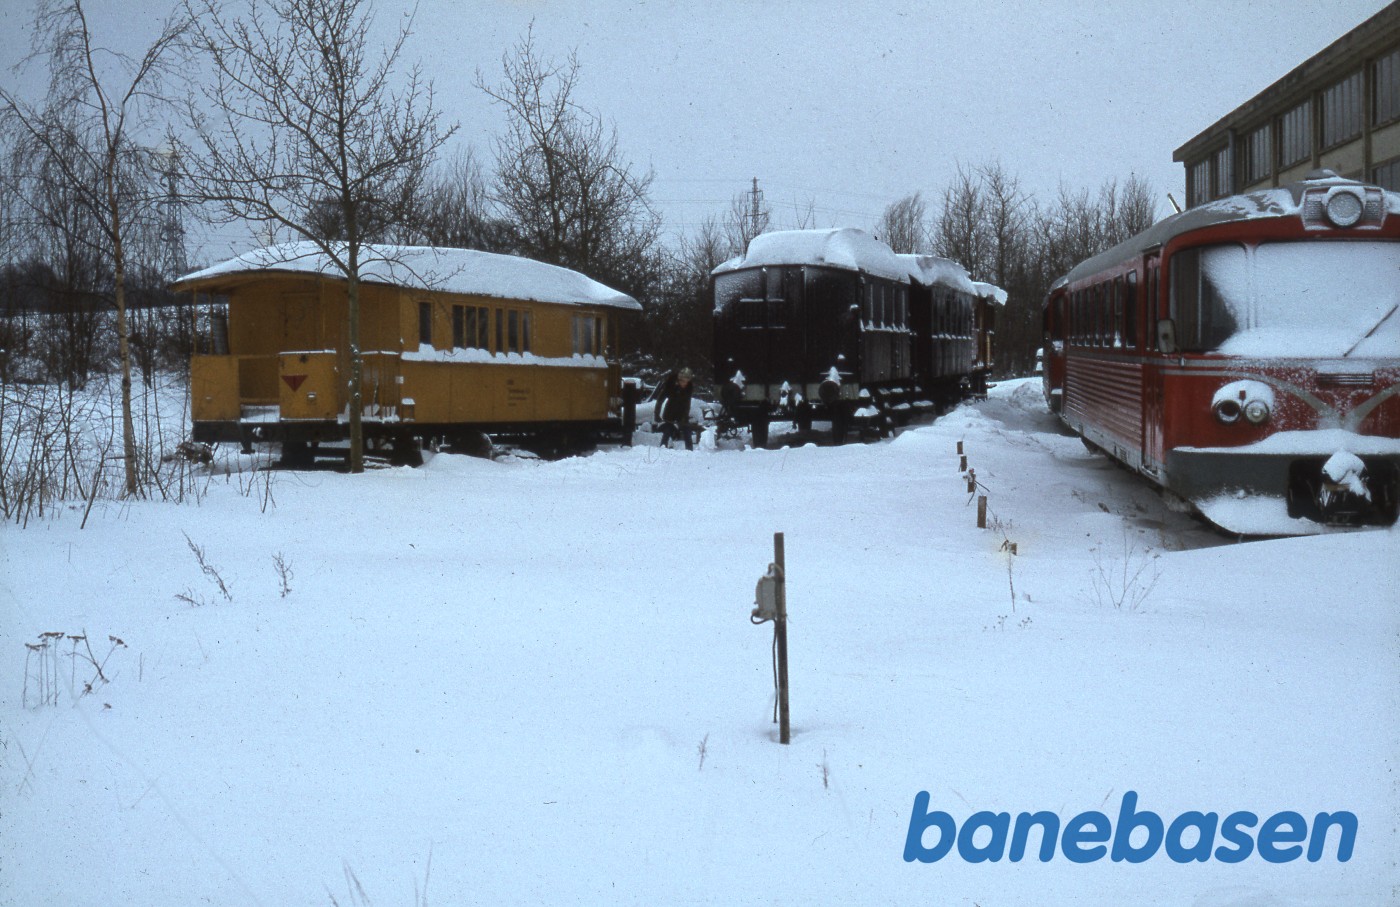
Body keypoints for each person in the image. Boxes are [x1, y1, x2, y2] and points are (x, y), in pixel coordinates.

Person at [655, 367, 696, 450]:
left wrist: (685, 416)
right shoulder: (670, 385)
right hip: (670, 410)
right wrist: (656, 413)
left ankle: (690, 451)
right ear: (679, 380)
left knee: (686, 429)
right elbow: (660, 400)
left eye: (687, 382)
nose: (685, 384)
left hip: (682, 411)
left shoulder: (689, 387)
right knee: (668, 429)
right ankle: (663, 448)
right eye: (683, 381)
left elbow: (687, 403)